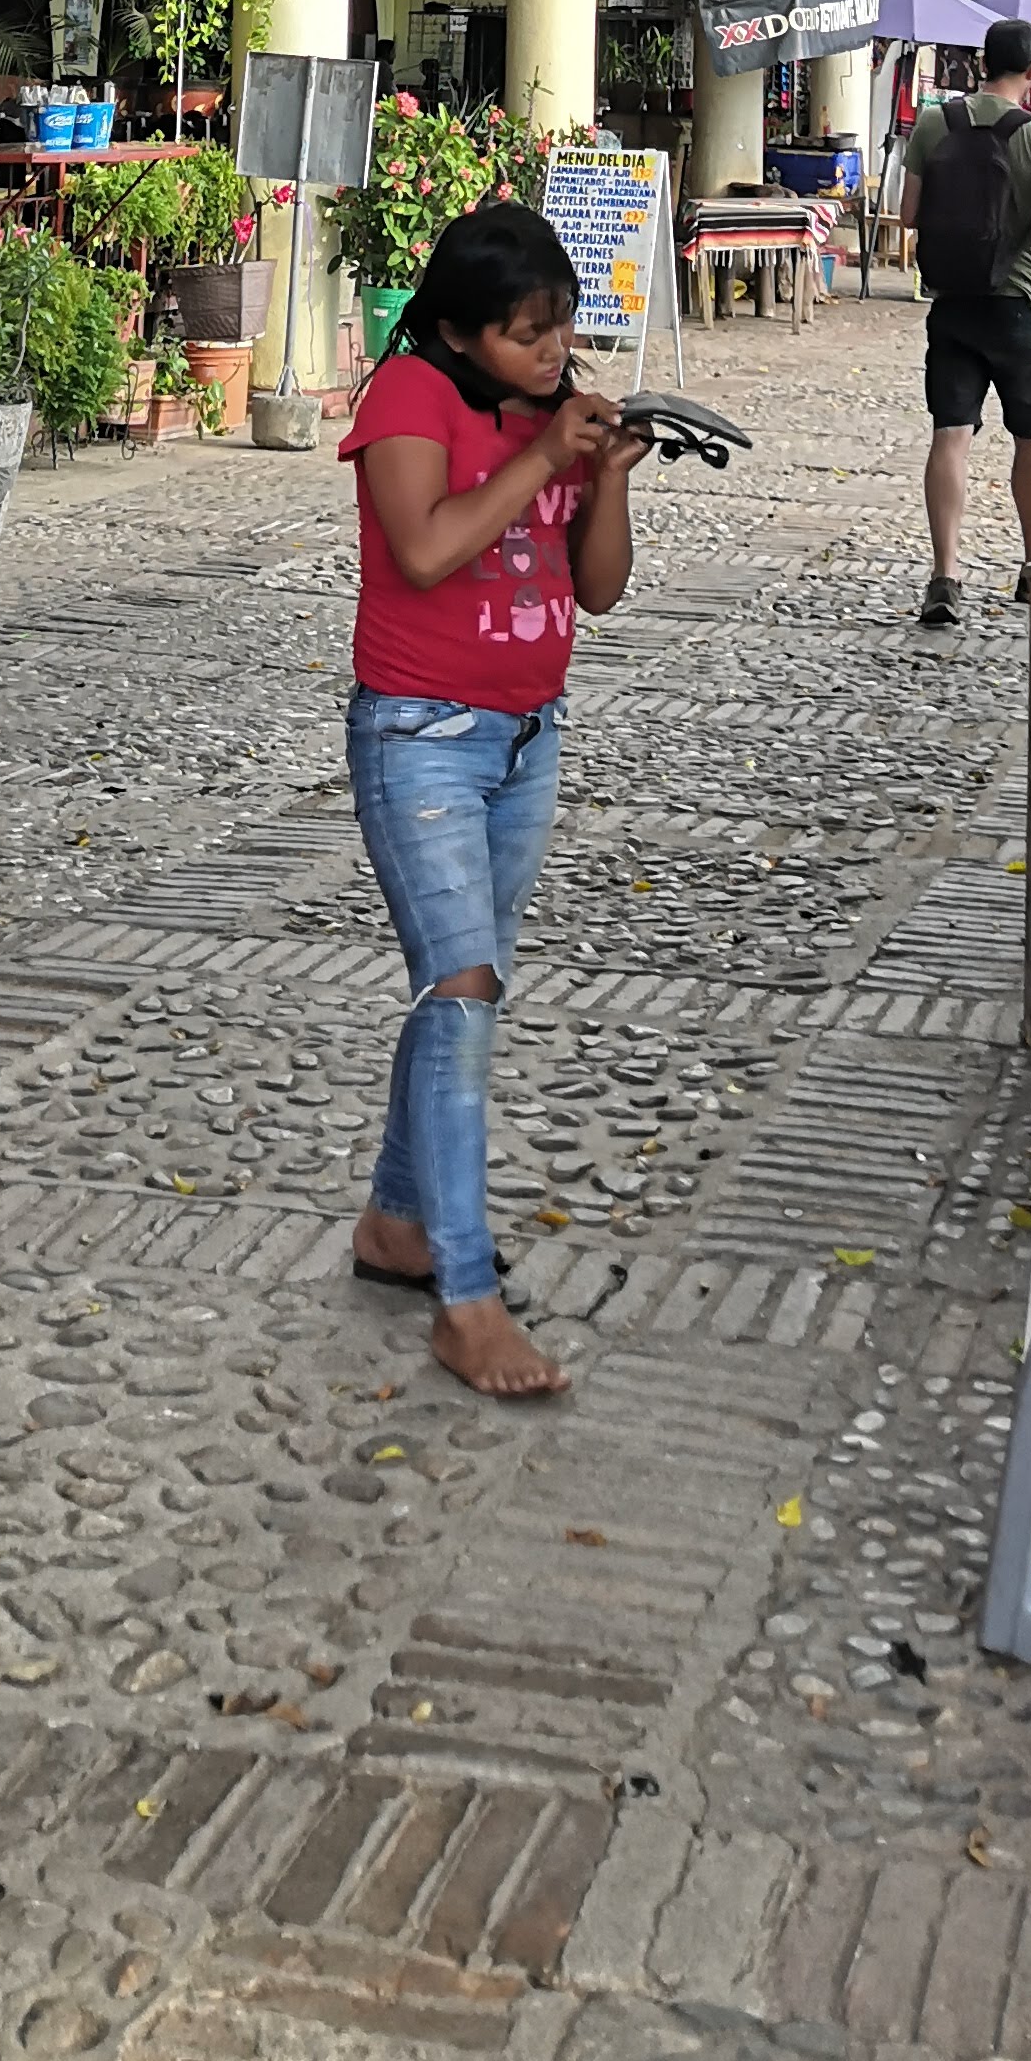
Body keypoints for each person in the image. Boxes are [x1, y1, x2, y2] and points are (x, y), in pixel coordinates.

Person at [338, 200, 647, 1396]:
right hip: (420, 735)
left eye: (563, 329)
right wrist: (539, 458)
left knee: (461, 991)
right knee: (463, 989)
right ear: (462, 332)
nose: (553, 354)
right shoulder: (409, 397)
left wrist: (603, 476)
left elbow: (601, 590)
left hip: (527, 738)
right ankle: (465, 1300)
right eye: (527, 334)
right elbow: (425, 549)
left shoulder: (550, 419)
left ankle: (398, 1226)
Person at [903, 17, 1031, 628]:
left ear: (981, 61)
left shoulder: (932, 122)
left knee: (951, 433)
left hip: (952, 303)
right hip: (1018, 305)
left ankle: (944, 577)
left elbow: (908, 215)